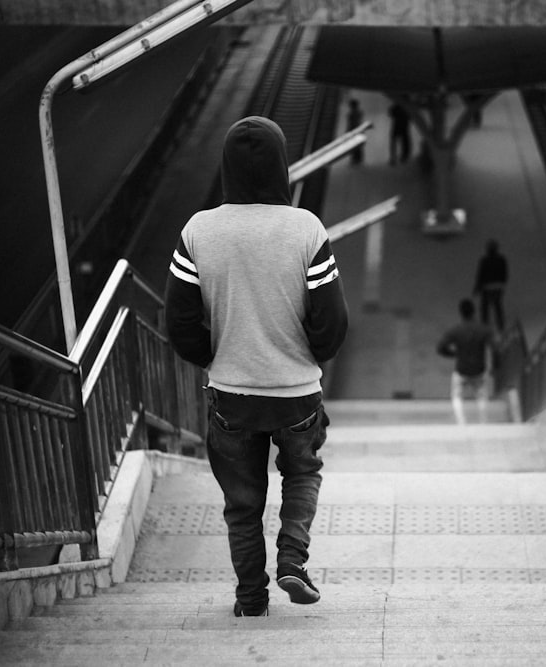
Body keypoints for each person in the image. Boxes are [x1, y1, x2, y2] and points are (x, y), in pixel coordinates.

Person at [164, 116, 349, 618]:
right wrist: (304, 353)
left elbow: (179, 322)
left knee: (242, 504)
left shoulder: (198, 231)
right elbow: (332, 324)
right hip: (296, 392)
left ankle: (250, 601)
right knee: (303, 472)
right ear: (281, 166)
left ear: (227, 166)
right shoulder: (306, 228)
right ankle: (292, 557)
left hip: (231, 394)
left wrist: (219, 353)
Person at [437, 299, 495, 425]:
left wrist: (454, 354)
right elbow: (495, 349)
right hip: (479, 369)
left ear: (461, 313)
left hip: (461, 369)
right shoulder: (484, 330)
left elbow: (440, 347)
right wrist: (495, 366)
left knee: (456, 396)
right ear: (474, 312)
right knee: (481, 396)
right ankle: (483, 423)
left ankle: (461, 423)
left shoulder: (455, 330)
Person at [473, 239, 508, 331]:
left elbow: (480, 275)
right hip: (498, 286)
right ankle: (501, 326)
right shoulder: (501, 259)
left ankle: (485, 327)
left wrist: (477, 287)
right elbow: (505, 273)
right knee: (497, 306)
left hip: (487, 287)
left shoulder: (484, 260)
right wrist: (502, 284)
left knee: (485, 307)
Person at [345, 98, 364, 165]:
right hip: (358, 130)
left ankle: (354, 159)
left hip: (353, 130)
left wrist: (347, 131)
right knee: (358, 145)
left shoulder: (351, 113)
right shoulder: (359, 112)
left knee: (353, 145)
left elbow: (350, 123)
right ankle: (358, 159)